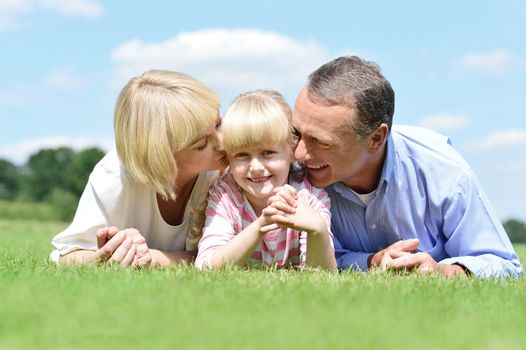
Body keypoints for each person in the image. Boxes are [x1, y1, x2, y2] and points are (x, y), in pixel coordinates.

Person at [279, 55, 522, 278]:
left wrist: (444, 271)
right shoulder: (290, 171)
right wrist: (372, 261)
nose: (299, 154)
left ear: (376, 139)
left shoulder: (444, 172)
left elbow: (504, 263)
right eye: (297, 133)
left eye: (321, 142)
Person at [50, 70, 227, 267]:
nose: (222, 142)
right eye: (203, 143)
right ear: (162, 155)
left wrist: (153, 259)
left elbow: (234, 255)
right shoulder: (113, 177)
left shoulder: (235, 168)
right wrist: (111, 253)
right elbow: (68, 255)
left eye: (219, 124)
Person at [195, 90, 336, 271]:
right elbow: (206, 265)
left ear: (291, 151)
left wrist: (318, 230)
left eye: (267, 153)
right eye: (242, 155)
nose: (255, 167)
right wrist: (261, 225)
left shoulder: (308, 195)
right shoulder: (226, 195)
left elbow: (323, 274)